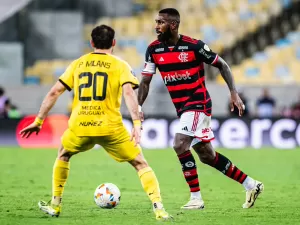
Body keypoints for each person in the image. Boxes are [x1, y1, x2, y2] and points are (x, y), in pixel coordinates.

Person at [20, 25, 172, 221]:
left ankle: (55, 205)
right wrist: (136, 124)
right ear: (114, 43)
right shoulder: (120, 65)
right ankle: (159, 209)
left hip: (80, 126)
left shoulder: (78, 64)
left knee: (63, 154)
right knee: (140, 164)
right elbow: (128, 93)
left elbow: (54, 92)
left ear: (91, 43)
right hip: (111, 129)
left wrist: (39, 120)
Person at [138, 8, 264, 210]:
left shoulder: (194, 46)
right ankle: (251, 184)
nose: (156, 26)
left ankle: (196, 198)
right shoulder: (153, 50)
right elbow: (145, 81)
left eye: (160, 22)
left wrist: (233, 92)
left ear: (173, 25)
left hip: (198, 103)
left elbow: (222, 65)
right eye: (156, 22)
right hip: (183, 108)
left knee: (179, 144)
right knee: (207, 156)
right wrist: (137, 106)